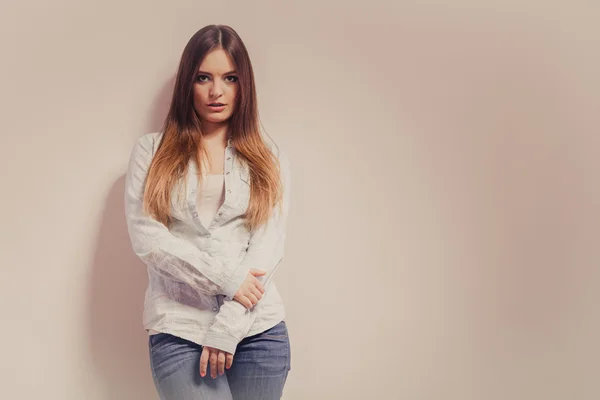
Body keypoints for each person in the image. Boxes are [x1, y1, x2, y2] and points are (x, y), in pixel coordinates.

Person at [124, 24, 292, 400]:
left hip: (257, 330)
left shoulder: (268, 155)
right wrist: (227, 278)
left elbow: (268, 246)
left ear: (243, 84)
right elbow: (148, 239)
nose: (217, 91)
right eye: (204, 78)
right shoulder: (151, 152)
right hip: (179, 328)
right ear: (188, 83)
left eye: (229, 78)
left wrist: (227, 329)